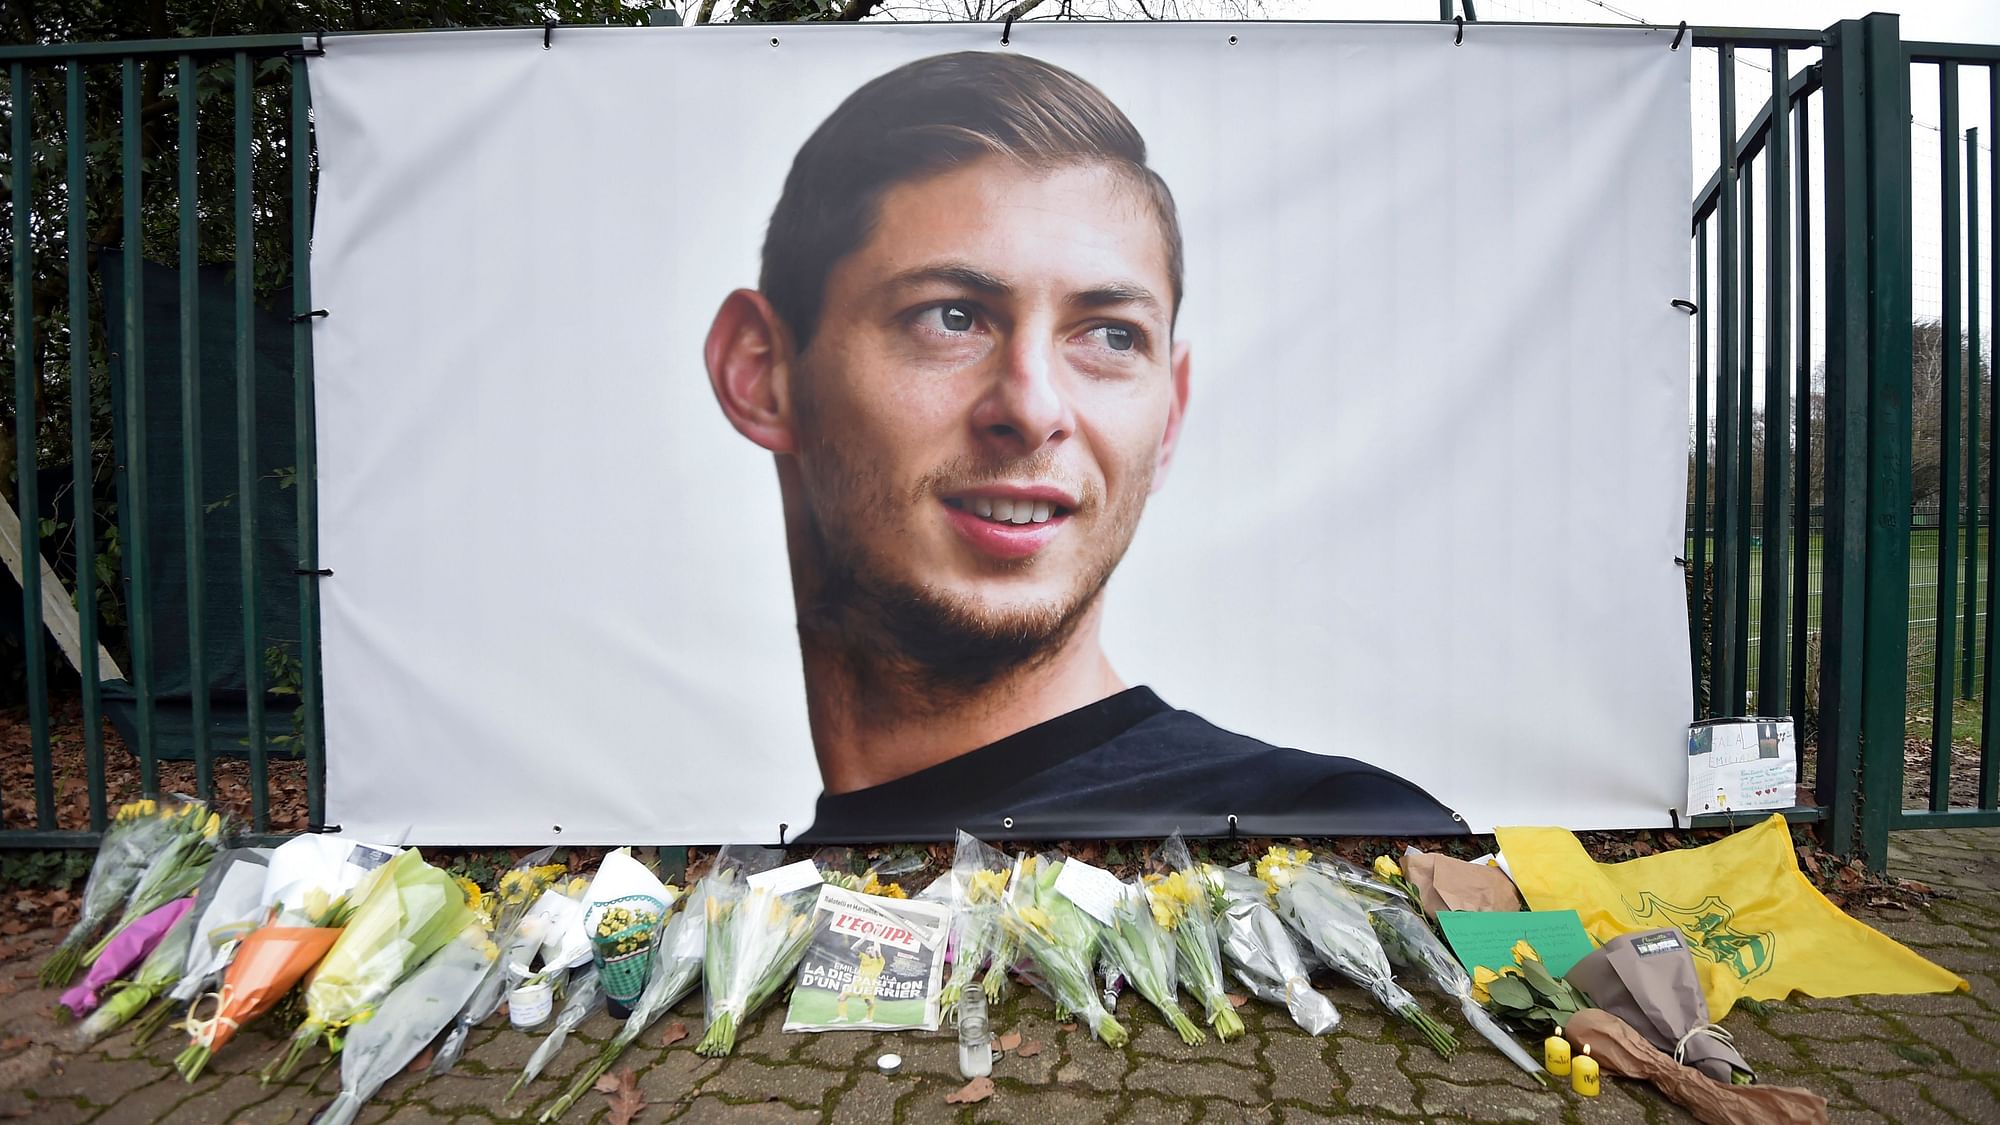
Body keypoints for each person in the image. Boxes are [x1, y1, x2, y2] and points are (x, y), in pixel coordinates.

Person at [704, 50, 1464, 843]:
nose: (1033, 409)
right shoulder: (729, 911)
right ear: (760, 374)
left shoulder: (1334, 838)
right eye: (951, 317)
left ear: (1169, 419)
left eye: (1110, 335)